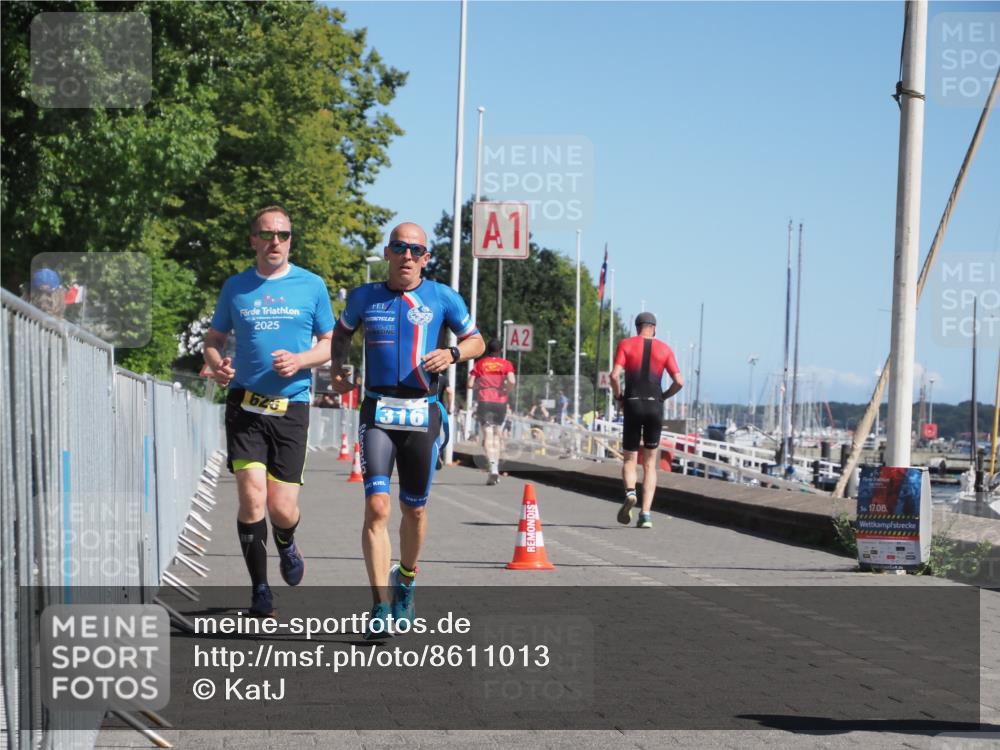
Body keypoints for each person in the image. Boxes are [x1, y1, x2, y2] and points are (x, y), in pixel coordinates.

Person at [329, 221, 484, 638]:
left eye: (416, 250)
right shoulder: (365, 297)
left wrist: (451, 353)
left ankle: (407, 581)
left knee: (414, 509)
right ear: (388, 253)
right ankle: (379, 604)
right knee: (378, 507)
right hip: (377, 411)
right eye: (400, 248)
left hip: (422, 413)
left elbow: (477, 342)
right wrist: (337, 369)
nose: (408, 256)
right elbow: (341, 335)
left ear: (426, 258)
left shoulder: (442, 297)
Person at [203, 206, 335, 617]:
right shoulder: (236, 287)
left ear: (291, 240)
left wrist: (300, 360)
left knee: (281, 508)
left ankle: (286, 541)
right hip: (245, 405)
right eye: (267, 234)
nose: (275, 241)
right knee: (251, 497)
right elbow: (214, 337)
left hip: (291, 406)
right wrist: (217, 362)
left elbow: (332, 343)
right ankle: (260, 589)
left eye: (283, 234)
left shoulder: (311, 285)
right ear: (254, 241)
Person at [609, 312, 683, 529]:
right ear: (654, 328)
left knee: (630, 459)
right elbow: (679, 381)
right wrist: (664, 396)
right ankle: (646, 515)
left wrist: (619, 397)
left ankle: (630, 492)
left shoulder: (626, 344)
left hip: (632, 403)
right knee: (650, 464)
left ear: (637, 327)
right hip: (654, 405)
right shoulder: (665, 349)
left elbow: (614, 376)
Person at [469, 339, 516, 485]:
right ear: (500, 350)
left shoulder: (480, 364)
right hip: (500, 402)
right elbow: (512, 381)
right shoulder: (506, 364)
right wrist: (505, 391)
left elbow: (470, 384)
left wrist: (479, 385)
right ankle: (496, 466)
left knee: (487, 435)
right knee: (497, 435)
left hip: (485, 400)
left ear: (487, 349)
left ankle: (493, 468)